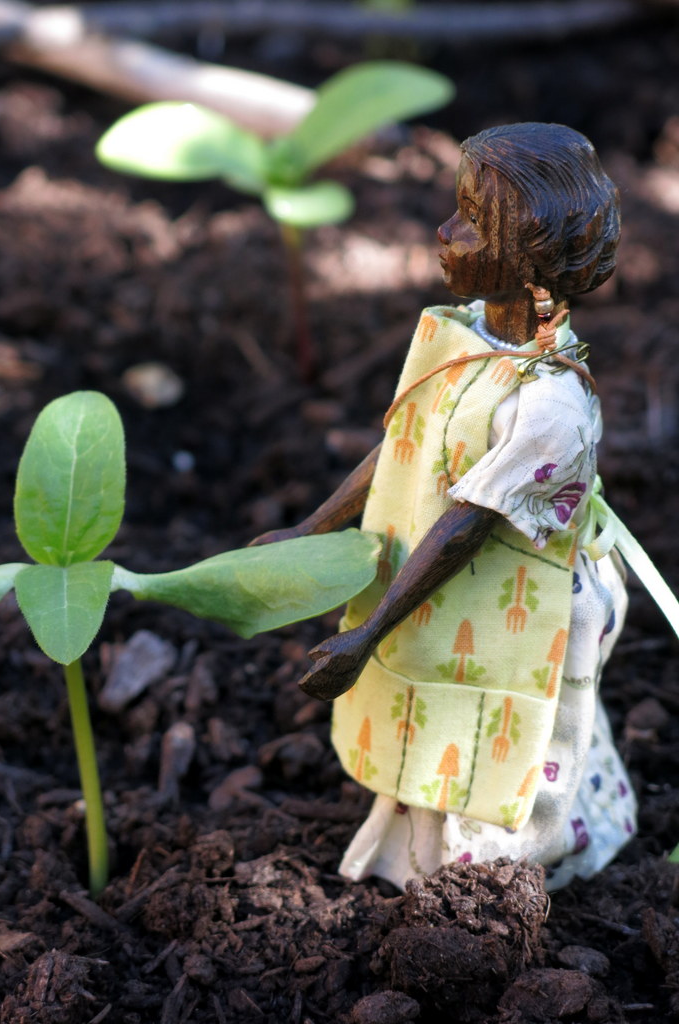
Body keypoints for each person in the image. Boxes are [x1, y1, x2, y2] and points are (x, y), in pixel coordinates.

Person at [253, 123, 636, 890]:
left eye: (472, 221)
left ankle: (495, 882)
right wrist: (311, 528)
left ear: (531, 261)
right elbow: (405, 444)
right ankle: (413, 855)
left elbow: (469, 525)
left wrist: (368, 632)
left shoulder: (549, 403)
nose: (445, 231)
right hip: (439, 586)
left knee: (505, 741)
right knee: (428, 709)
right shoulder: (460, 339)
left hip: (515, 603)